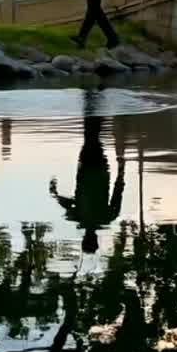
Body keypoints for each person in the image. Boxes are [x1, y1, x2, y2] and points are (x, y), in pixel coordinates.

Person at [50, 100, 126, 254]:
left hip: (99, 172)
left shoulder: (105, 218)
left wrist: (121, 173)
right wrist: (54, 193)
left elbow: (118, 193)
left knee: (93, 138)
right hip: (87, 171)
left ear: (95, 239)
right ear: (86, 239)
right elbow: (66, 203)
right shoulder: (80, 217)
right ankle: (93, 106)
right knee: (91, 138)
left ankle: (94, 106)